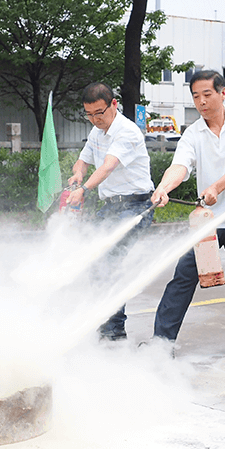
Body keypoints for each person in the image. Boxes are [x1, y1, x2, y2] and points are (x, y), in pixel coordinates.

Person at [150, 70, 225, 355]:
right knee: (183, 277)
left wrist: (216, 186)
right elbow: (180, 166)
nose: (201, 101)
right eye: (195, 96)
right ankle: (161, 344)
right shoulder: (193, 133)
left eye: (207, 94)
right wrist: (164, 187)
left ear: (223, 93)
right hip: (208, 222)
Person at [67, 82, 155, 340]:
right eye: (89, 114)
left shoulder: (127, 131)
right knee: (93, 259)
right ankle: (105, 322)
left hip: (136, 207)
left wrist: (84, 189)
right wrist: (78, 175)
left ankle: (113, 331)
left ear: (113, 104)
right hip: (111, 207)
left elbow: (107, 166)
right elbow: (83, 161)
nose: (95, 119)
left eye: (100, 113)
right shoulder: (97, 132)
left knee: (108, 260)